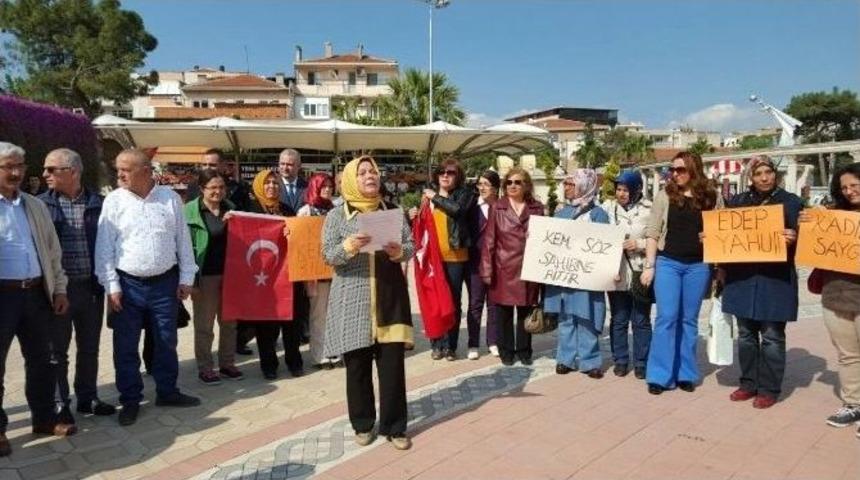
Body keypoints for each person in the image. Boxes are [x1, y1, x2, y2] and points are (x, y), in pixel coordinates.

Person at [95, 149, 201, 426]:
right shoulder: (114, 201)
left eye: (125, 170)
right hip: (127, 286)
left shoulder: (169, 199)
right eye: (118, 169)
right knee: (125, 345)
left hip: (165, 283)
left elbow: (182, 241)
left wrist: (186, 278)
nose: (119, 174)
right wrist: (112, 285)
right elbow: (104, 248)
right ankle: (130, 399)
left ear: (145, 171)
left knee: (167, 341)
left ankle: (167, 391)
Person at [322, 155, 414, 450]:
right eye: (362, 173)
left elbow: (411, 247)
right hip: (353, 300)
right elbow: (327, 255)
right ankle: (362, 423)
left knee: (392, 368)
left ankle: (395, 427)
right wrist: (349, 246)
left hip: (390, 298)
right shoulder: (337, 216)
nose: (369, 176)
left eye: (372, 171)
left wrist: (400, 250)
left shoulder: (394, 211)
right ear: (350, 180)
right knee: (358, 368)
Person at [0, 142, 75, 456]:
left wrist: (59, 288)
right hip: (2, 296)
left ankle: (44, 419)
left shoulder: (34, 205)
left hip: (36, 294)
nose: (16, 172)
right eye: (8, 166)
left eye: (20, 165)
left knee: (44, 361)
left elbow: (53, 252)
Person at [39, 148, 116, 425]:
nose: (45, 174)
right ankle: (61, 403)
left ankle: (88, 397)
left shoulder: (100, 203)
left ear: (72, 172)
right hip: (59, 292)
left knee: (90, 347)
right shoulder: (40, 205)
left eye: (51, 169)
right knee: (57, 351)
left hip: (91, 289)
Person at [719, 155, 801, 409]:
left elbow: (809, 242)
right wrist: (711, 238)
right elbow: (725, 238)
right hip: (742, 278)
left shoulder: (792, 203)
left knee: (772, 335)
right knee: (745, 334)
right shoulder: (737, 203)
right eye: (758, 173)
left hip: (775, 279)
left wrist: (795, 238)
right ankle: (748, 383)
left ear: (775, 174)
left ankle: (769, 388)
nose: (764, 177)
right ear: (750, 177)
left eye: (768, 172)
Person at [640, 151, 719, 395]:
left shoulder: (711, 196)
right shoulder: (665, 195)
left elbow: (722, 230)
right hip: (668, 263)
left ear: (694, 169)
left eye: (680, 170)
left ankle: (685, 372)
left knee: (689, 320)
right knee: (666, 317)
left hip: (698, 265)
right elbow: (652, 232)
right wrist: (649, 266)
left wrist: (716, 257)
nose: (675, 174)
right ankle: (659, 375)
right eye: (672, 170)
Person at [803, 162, 860, 432]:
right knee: (847, 355)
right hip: (836, 294)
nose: (849, 191)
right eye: (844, 187)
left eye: (854, 186)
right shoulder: (832, 215)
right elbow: (813, 245)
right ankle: (852, 404)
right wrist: (807, 224)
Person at [545, 170, 609, 378]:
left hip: (588, 278)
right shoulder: (561, 213)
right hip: (565, 277)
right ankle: (565, 359)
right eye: (565, 184)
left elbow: (605, 247)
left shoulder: (599, 214)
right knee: (566, 317)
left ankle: (590, 361)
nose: (566, 187)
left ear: (583, 186)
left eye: (570, 184)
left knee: (587, 317)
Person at [480, 167, 544, 366]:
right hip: (503, 268)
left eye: (517, 182)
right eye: (509, 182)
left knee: (526, 311)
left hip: (527, 268)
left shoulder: (537, 208)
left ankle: (524, 350)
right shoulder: (497, 207)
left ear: (526, 185)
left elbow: (544, 240)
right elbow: (489, 241)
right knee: (504, 313)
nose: (513, 186)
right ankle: (506, 350)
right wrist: (487, 269)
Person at [185, 169, 243, 385]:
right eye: (213, 188)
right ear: (202, 189)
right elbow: (184, 249)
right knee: (205, 326)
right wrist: (190, 282)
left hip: (229, 276)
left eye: (221, 187)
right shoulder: (190, 212)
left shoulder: (232, 209)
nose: (218, 192)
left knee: (229, 323)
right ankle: (206, 367)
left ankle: (227, 363)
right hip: (205, 277)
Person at [248, 168, 304, 379]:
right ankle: (269, 365)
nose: (271, 186)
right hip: (263, 277)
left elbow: (299, 239)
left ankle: (294, 361)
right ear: (259, 186)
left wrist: (293, 234)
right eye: (267, 183)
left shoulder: (288, 210)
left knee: (292, 321)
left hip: (288, 274)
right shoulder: (250, 210)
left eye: (275, 183)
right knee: (266, 325)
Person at [421, 158, 475, 361]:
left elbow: (457, 210)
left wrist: (436, 196)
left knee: (452, 301)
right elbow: (423, 223)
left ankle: (450, 346)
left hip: (455, 256)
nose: (445, 175)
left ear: (457, 176)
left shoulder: (465, 194)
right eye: (442, 171)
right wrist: (414, 213)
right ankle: (437, 344)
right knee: (435, 300)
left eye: (450, 172)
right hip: (433, 258)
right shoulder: (427, 196)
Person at [602, 170, 653, 379]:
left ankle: (642, 362)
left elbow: (657, 236)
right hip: (617, 272)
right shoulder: (607, 208)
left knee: (641, 319)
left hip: (640, 271)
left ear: (636, 189)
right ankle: (620, 360)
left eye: (625, 189)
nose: (621, 193)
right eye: (619, 189)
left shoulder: (649, 210)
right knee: (619, 318)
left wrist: (639, 244)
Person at [297, 172, 339, 369]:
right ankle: (319, 354)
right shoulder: (306, 211)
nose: (328, 190)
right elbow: (300, 243)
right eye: (323, 186)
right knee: (318, 314)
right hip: (316, 273)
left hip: (337, 270)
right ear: (315, 187)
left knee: (335, 313)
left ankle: (335, 351)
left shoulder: (337, 209)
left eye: (330, 186)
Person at [277, 149, 311, 344]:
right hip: (278, 249)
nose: (285, 167)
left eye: (290, 164)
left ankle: (300, 330)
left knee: (301, 294)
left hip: (301, 249)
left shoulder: (308, 187)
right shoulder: (270, 185)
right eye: (282, 163)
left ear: (298, 166)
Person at [467, 170, 500, 358]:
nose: (482, 188)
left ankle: (493, 341)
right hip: (476, 262)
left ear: (495, 188)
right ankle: (473, 344)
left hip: (497, 263)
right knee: (475, 303)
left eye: (486, 184)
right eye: (480, 184)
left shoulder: (502, 207)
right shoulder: (472, 206)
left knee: (494, 303)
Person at [186, 148, 252, 211]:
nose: (207, 168)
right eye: (204, 164)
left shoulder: (238, 188)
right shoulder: (193, 186)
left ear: (223, 165)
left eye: (212, 165)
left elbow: (246, 213)